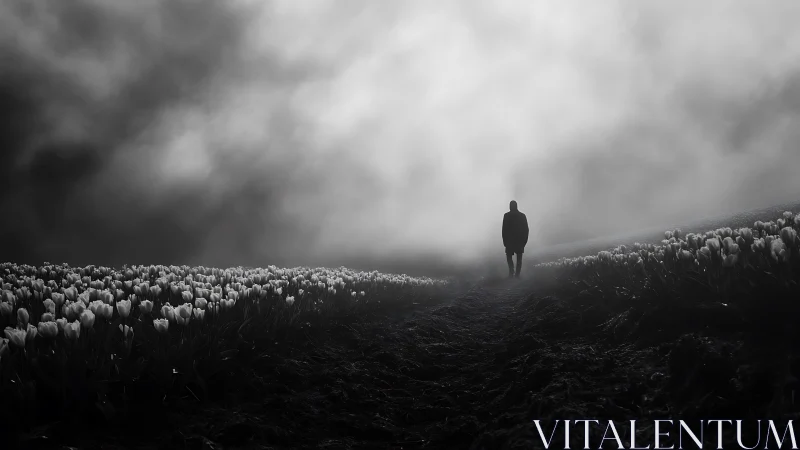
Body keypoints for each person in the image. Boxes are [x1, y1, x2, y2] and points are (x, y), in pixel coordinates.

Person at [502, 200, 529, 278]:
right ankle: (517, 274)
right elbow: (526, 229)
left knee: (509, 257)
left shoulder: (506, 216)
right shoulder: (522, 216)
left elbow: (504, 230)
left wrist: (504, 241)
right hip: (519, 241)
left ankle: (511, 272)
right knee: (519, 258)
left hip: (510, 241)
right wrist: (524, 241)